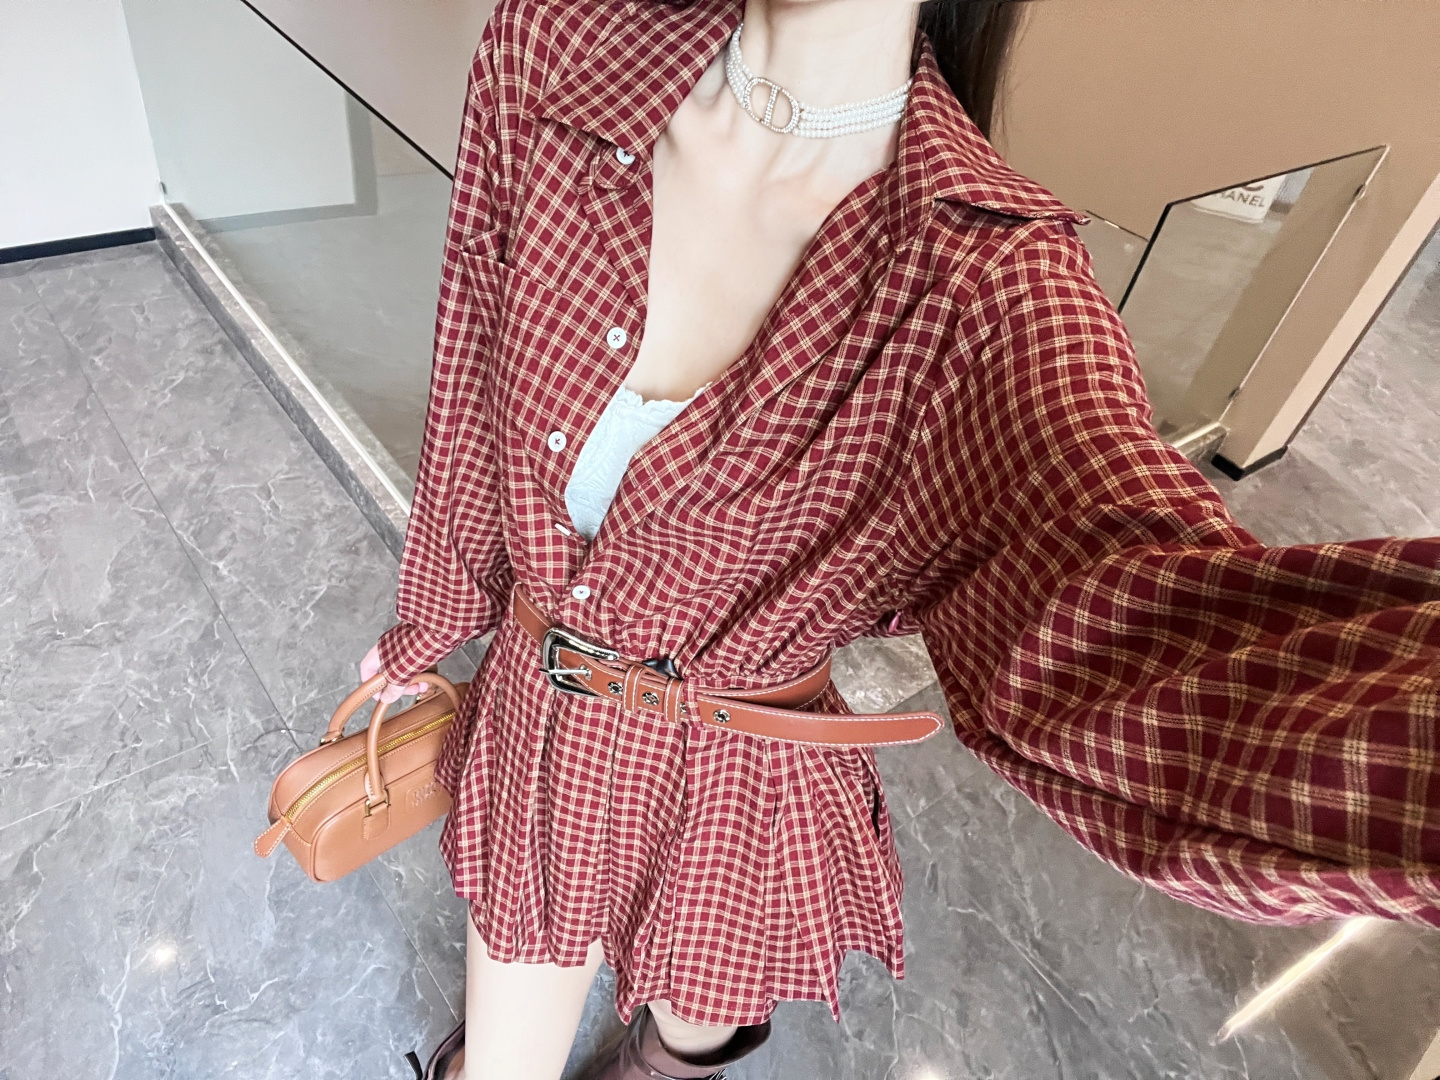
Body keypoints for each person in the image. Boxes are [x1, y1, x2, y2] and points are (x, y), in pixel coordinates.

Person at [360, 0, 1440, 1075]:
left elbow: (1154, 634)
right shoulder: (559, 51)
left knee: (695, 1011)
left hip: (736, 773)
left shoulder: (993, 286)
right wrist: (432, 619)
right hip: (541, 710)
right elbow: (469, 385)